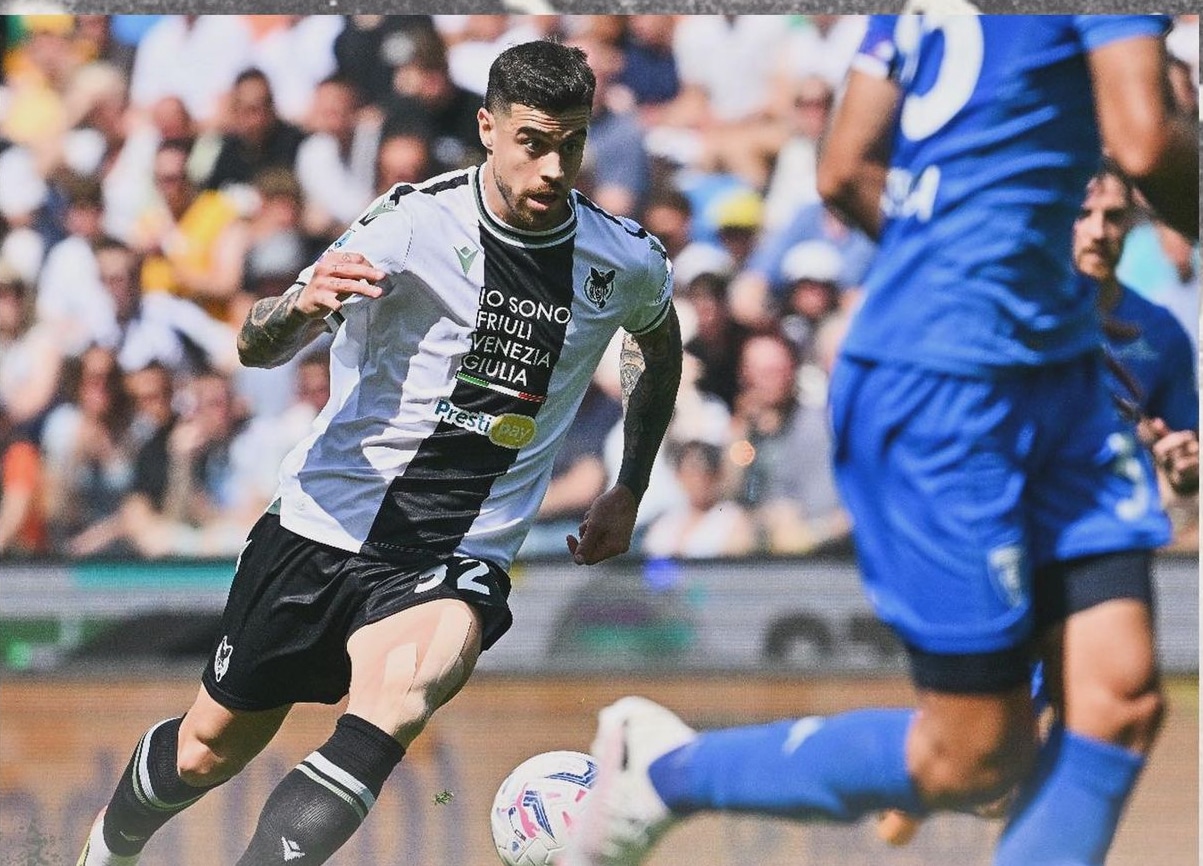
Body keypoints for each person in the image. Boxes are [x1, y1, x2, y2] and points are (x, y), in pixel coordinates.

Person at [568, 14, 1197, 866]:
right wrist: (968, 294)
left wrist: (996, 283)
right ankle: (668, 772)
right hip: (947, 384)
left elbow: (841, 167)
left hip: (1046, 367)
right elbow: (1145, 138)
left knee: (1118, 701)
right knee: (975, 755)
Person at [78, 40, 681, 866]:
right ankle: (107, 850)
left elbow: (656, 343)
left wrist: (630, 485)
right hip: (325, 524)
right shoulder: (411, 224)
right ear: (488, 129)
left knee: (396, 703)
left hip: (458, 549)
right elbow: (256, 345)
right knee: (206, 749)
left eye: (570, 145)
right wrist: (298, 309)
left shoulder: (623, 258)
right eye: (533, 143)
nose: (552, 168)